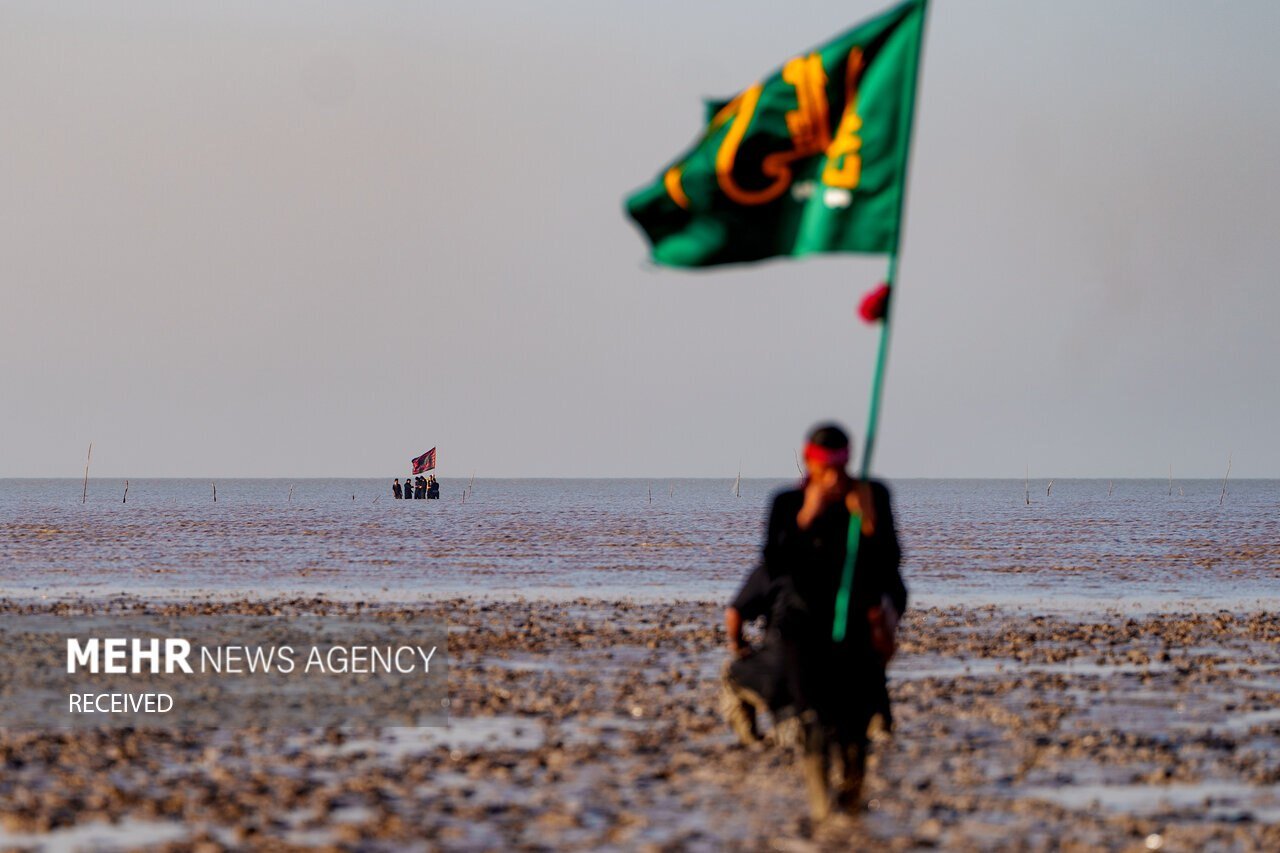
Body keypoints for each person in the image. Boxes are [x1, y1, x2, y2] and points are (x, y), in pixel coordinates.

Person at [722, 422, 906, 820]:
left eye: (839, 467)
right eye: (825, 468)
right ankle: (822, 808)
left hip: (857, 623)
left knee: (856, 727)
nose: (834, 477)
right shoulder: (788, 503)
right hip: (802, 627)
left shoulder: (872, 495)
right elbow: (774, 564)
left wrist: (869, 523)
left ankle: (851, 802)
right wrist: (809, 514)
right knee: (813, 719)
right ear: (809, 463)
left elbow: (890, 563)